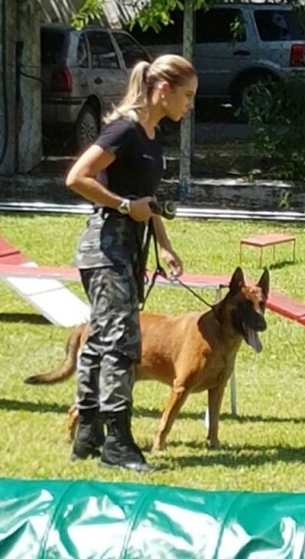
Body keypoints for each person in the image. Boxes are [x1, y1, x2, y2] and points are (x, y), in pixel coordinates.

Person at [65, 54, 197, 472]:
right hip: (106, 251)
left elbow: (148, 202)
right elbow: (77, 177)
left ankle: (87, 436)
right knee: (122, 346)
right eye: (187, 95)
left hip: (126, 251)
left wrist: (164, 243)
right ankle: (117, 445)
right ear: (163, 90)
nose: (190, 104)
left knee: (101, 341)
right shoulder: (123, 130)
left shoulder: (151, 135)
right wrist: (123, 205)